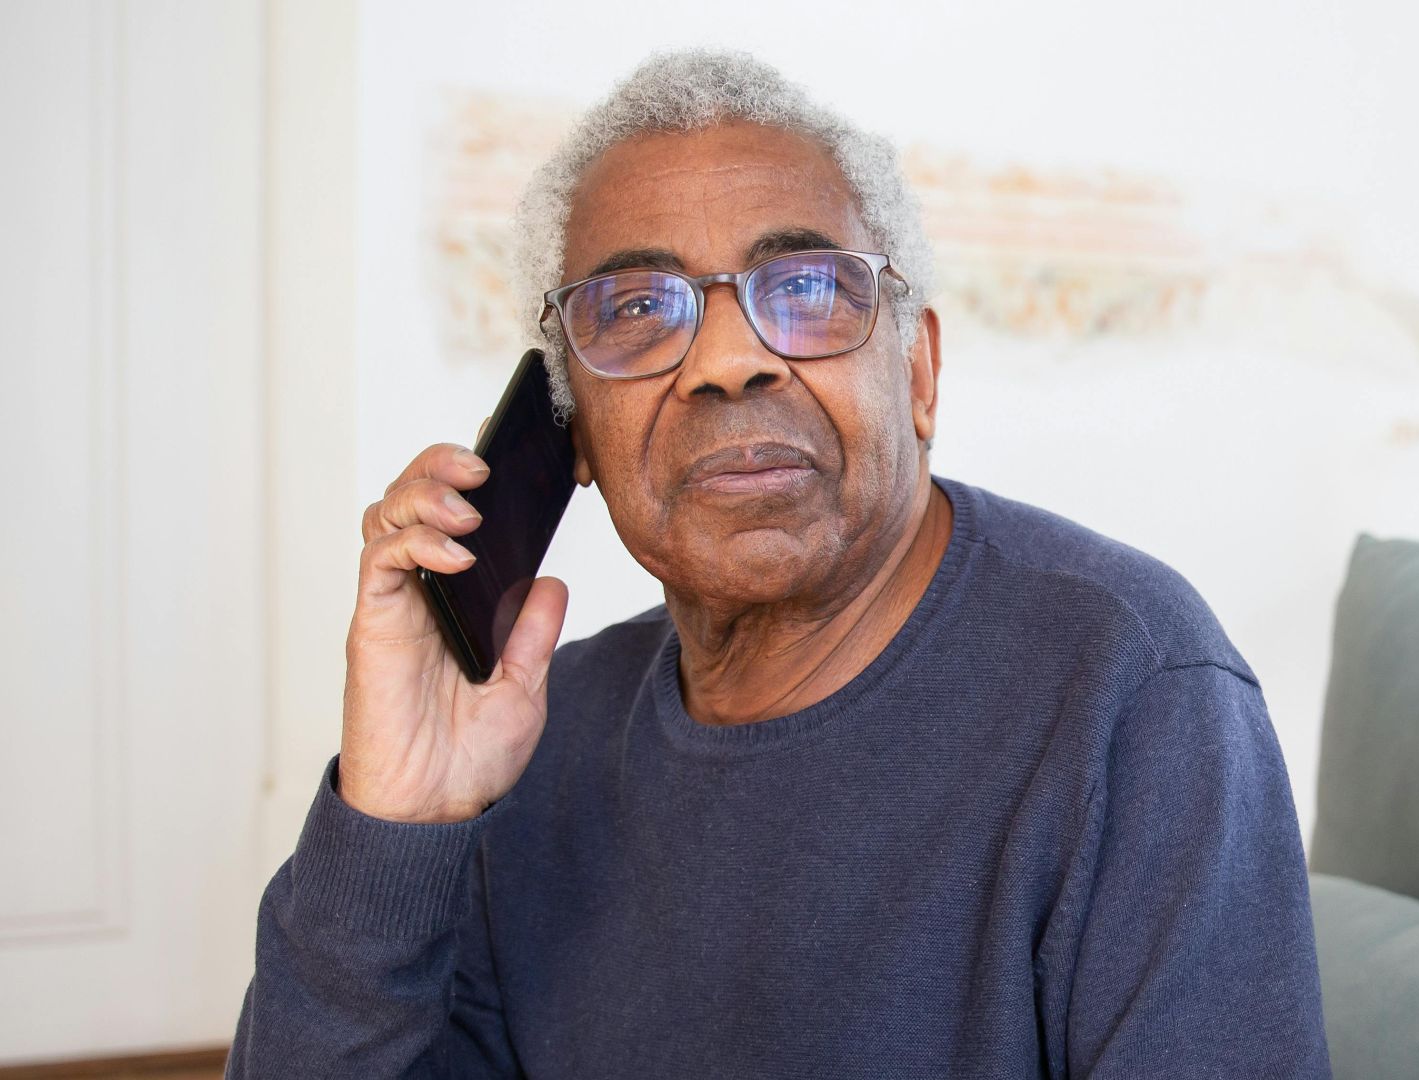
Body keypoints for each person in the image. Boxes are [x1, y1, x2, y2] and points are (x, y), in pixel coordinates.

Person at [225, 47, 1330, 1079]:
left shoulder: (1131, 690)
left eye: (803, 287)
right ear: (573, 435)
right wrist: (395, 824)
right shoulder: (528, 742)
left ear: (919, 374)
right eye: (637, 308)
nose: (727, 359)